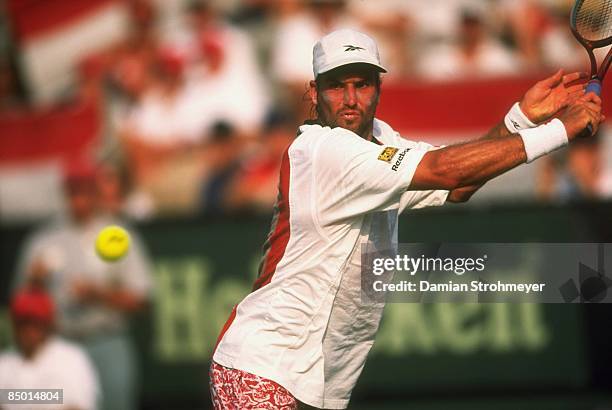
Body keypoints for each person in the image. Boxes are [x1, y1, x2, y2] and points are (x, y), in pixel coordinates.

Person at [210, 29, 602, 409]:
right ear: (313, 93)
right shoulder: (323, 150)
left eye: (362, 84)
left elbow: (457, 186)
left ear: (379, 88)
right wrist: (559, 131)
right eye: (336, 85)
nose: (350, 99)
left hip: (305, 379)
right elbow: (447, 170)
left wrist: (520, 120)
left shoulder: (382, 139)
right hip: (259, 368)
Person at [15, 160, 153, 410]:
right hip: (58, 346)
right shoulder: (43, 239)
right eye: (73, 190)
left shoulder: (117, 234)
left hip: (107, 341)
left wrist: (99, 295)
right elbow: (19, 303)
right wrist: (35, 283)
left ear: (95, 191)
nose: (79, 198)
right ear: (65, 192)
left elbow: (143, 299)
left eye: (85, 189)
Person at [0, 288, 99, 410]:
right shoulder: (5, 361)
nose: (29, 331)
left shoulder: (72, 358)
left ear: (48, 324)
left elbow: (77, 406)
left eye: (36, 323)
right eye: (23, 322)